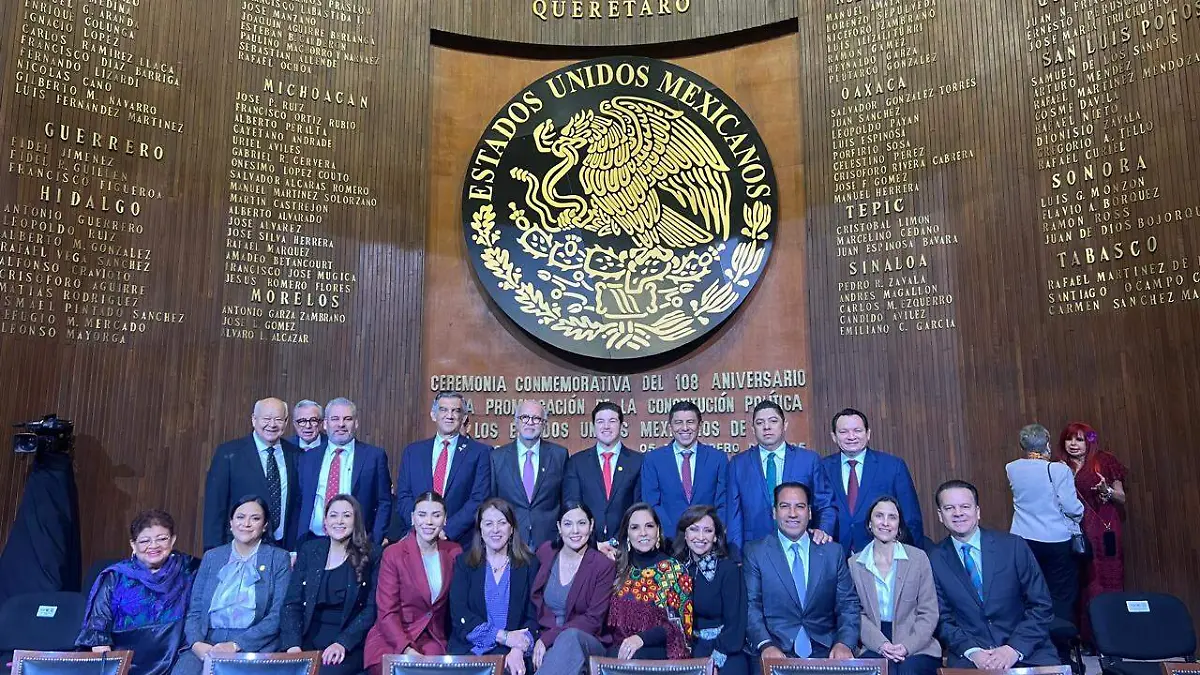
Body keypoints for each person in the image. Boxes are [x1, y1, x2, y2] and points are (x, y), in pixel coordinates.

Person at [929, 480, 1057, 669]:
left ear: (977, 511)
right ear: (940, 515)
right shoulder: (933, 559)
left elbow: (1041, 605)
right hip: (971, 656)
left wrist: (1013, 649)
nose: (958, 513)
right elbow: (942, 619)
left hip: (1027, 650)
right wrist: (973, 651)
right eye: (949, 508)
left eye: (965, 506)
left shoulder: (1013, 547)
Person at [744, 481, 859, 666]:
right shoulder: (756, 552)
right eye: (784, 506)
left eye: (800, 506)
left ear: (810, 512)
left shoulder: (832, 552)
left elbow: (848, 604)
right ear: (774, 512)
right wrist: (765, 645)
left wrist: (844, 643)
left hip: (825, 650)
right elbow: (751, 606)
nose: (792, 513)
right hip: (775, 650)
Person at [175, 496, 292, 675]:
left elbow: (277, 615)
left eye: (255, 518)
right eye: (240, 517)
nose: (246, 524)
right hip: (207, 641)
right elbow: (195, 610)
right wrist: (197, 643)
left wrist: (236, 645)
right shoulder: (212, 557)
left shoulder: (278, 558)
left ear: (265, 526)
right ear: (231, 523)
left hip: (253, 644)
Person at [76, 510, 199, 675]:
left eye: (162, 539)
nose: (153, 546)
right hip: (125, 667)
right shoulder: (115, 577)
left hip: (177, 665)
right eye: (145, 541)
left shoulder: (190, 570)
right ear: (133, 545)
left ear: (173, 540)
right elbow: (98, 633)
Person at [282, 494, 380, 675]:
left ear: (356, 521)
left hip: (347, 642)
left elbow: (371, 610)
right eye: (333, 515)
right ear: (325, 522)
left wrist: (343, 643)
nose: (339, 521)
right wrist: (293, 645)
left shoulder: (372, 554)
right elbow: (292, 603)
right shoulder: (310, 550)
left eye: (346, 515)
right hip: (306, 638)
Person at [364, 492, 463, 671]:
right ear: (412, 518)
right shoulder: (393, 554)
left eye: (436, 515)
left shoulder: (454, 552)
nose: (428, 522)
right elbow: (386, 612)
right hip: (391, 639)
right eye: (422, 515)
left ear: (445, 520)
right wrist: (406, 649)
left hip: (430, 638)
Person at [728, 401, 837, 553]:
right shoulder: (738, 464)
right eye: (760, 423)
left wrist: (823, 531)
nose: (766, 427)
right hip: (754, 550)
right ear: (753, 429)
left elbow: (825, 504)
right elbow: (734, 514)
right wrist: (736, 555)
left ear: (784, 425)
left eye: (773, 421)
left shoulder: (808, 460)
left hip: (801, 547)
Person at [849, 496, 941, 675]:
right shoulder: (854, 564)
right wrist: (881, 644)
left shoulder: (918, 558)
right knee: (881, 670)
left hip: (916, 641)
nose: (885, 523)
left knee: (909, 670)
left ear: (899, 525)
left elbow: (929, 612)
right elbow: (856, 614)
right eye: (879, 516)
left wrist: (907, 646)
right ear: (869, 523)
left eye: (892, 517)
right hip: (874, 641)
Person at [448, 498, 540, 675]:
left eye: (502, 523)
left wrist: (518, 649)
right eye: (488, 524)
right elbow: (460, 615)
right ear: (480, 529)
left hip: (512, 653)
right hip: (471, 649)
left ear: (511, 528)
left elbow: (533, 616)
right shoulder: (464, 563)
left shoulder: (529, 564)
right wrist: (504, 637)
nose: (495, 530)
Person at [1055, 422, 1128, 643]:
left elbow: (1121, 497)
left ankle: (1111, 637)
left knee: (1106, 575)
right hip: (1075, 530)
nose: (1073, 444)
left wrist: (1107, 491)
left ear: (1089, 442)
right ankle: (1086, 636)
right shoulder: (1059, 466)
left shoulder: (1104, 461)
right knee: (1082, 580)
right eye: (1069, 439)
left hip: (1104, 527)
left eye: (1079, 439)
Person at [1007, 424, 1084, 634]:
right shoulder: (1059, 470)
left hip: (1023, 537)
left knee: (1029, 590)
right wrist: (1081, 512)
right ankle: (1060, 640)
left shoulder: (1011, 468)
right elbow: (1071, 507)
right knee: (1061, 594)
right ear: (1047, 443)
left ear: (1022, 444)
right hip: (1056, 539)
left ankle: (1030, 637)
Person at [390, 391, 492, 546]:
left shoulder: (480, 452)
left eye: (455, 411)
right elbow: (404, 495)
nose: (449, 416)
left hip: (460, 542)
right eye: (443, 410)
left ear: (463, 417)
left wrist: (447, 530)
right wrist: (421, 526)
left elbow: (479, 499)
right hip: (418, 539)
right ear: (433, 415)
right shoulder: (413, 452)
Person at [821, 408, 924, 553]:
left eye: (857, 430)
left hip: (882, 556)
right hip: (835, 554)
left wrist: (912, 557)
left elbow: (911, 518)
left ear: (868, 433)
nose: (851, 437)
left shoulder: (893, 466)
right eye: (843, 432)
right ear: (834, 436)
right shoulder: (822, 467)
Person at [530, 502, 617, 674]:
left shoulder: (603, 565)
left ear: (591, 525)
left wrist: (549, 638)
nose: (575, 531)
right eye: (568, 524)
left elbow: (593, 620)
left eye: (581, 523)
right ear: (559, 527)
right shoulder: (545, 553)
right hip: (545, 634)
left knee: (570, 636)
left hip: (587, 639)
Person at [204, 398, 301, 550]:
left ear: (286, 422)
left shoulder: (296, 454)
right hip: (239, 547)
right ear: (254, 420)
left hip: (283, 548)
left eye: (278, 419)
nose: (272, 424)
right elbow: (215, 507)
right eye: (266, 419)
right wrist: (213, 551)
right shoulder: (229, 453)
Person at [298, 398, 393, 544]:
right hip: (312, 540)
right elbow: (299, 502)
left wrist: (375, 540)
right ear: (325, 424)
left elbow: (384, 502)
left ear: (356, 423)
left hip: (357, 542)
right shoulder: (308, 458)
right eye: (335, 419)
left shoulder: (374, 457)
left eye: (347, 419)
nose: (341, 424)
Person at [605, 503, 692, 661]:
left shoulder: (675, 570)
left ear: (658, 530)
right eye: (635, 527)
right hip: (618, 651)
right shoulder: (617, 567)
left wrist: (641, 639)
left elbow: (680, 626)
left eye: (649, 526)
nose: (643, 533)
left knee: (634, 657)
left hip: (658, 651)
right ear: (627, 533)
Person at [673, 505, 748, 675]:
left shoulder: (729, 569)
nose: (700, 537)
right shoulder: (677, 569)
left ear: (715, 537)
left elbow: (736, 624)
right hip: (689, 648)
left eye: (707, 531)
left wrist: (716, 659)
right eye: (694, 529)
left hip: (725, 649)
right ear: (685, 534)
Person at [563, 402, 643, 559]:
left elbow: (639, 507)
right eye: (600, 421)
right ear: (593, 426)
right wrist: (594, 544)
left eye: (612, 421)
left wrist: (620, 543)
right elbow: (572, 506)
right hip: (587, 549)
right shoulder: (577, 462)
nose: (606, 426)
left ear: (621, 425)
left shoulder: (638, 461)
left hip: (627, 550)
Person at [642, 401, 729, 536]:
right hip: (668, 539)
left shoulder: (718, 458)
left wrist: (709, 532)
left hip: (706, 539)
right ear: (670, 427)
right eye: (678, 422)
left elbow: (723, 503)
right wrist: (675, 534)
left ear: (700, 425)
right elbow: (651, 503)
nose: (685, 428)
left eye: (690, 422)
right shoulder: (653, 459)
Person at [492, 400, 568, 550]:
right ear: (516, 422)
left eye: (536, 418)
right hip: (510, 540)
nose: (530, 422)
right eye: (524, 417)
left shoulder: (559, 455)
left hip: (549, 541)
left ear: (544, 424)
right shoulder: (497, 457)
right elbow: (492, 502)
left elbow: (565, 500)